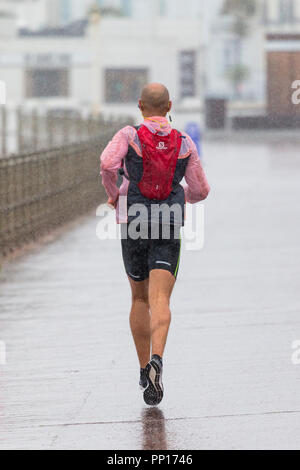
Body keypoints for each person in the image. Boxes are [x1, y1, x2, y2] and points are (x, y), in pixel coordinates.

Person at [100, 83, 210, 406]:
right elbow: (201, 189)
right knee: (160, 298)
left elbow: (107, 163)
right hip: (168, 221)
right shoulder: (184, 142)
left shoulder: (129, 136)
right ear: (170, 105)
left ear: (140, 106)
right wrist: (180, 197)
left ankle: (142, 367)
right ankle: (158, 360)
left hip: (132, 220)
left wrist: (113, 191)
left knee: (138, 297)